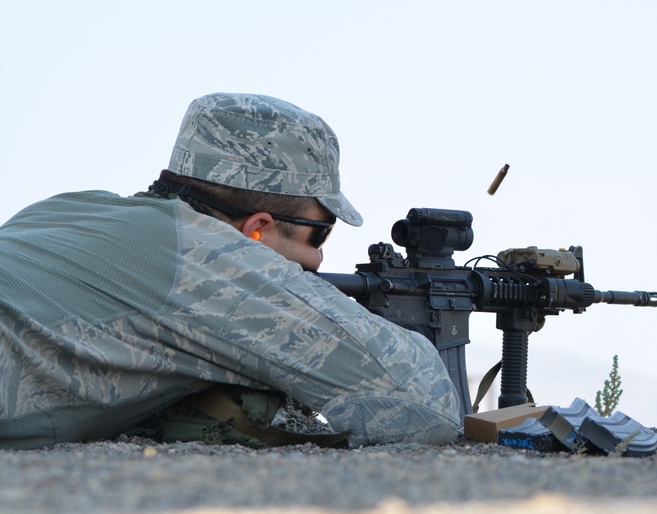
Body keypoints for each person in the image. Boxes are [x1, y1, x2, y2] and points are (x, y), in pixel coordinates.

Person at [0, 93, 461, 450]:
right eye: (319, 235)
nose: (319, 260)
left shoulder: (63, 208)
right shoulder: (207, 252)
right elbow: (422, 402)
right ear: (257, 228)